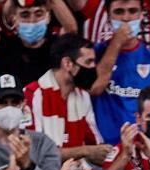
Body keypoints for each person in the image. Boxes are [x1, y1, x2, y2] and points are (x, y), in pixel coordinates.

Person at [89, 0, 150, 146]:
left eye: (133, 11)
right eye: (119, 12)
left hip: (141, 147)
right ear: (109, 18)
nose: (126, 18)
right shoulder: (95, 54)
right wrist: (116, 43)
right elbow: (95, 88)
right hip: (104, 148)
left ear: (141, 15)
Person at [24, 33, 109, 163]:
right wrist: (84, 151)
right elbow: (35, 152)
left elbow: (95, 144)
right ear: (68, 63)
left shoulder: (83, 96)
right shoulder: (33, 94)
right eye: (88, 62)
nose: (93, 68)